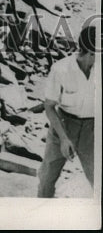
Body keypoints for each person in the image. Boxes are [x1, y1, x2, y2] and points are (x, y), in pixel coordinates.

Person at [37, 24, 96, 197]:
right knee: (47, 177)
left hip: (92, 130)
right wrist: (63, 139)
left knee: (98, 180)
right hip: (63, 125)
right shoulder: (61, 69)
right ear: (91, 52)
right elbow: (49, 106)